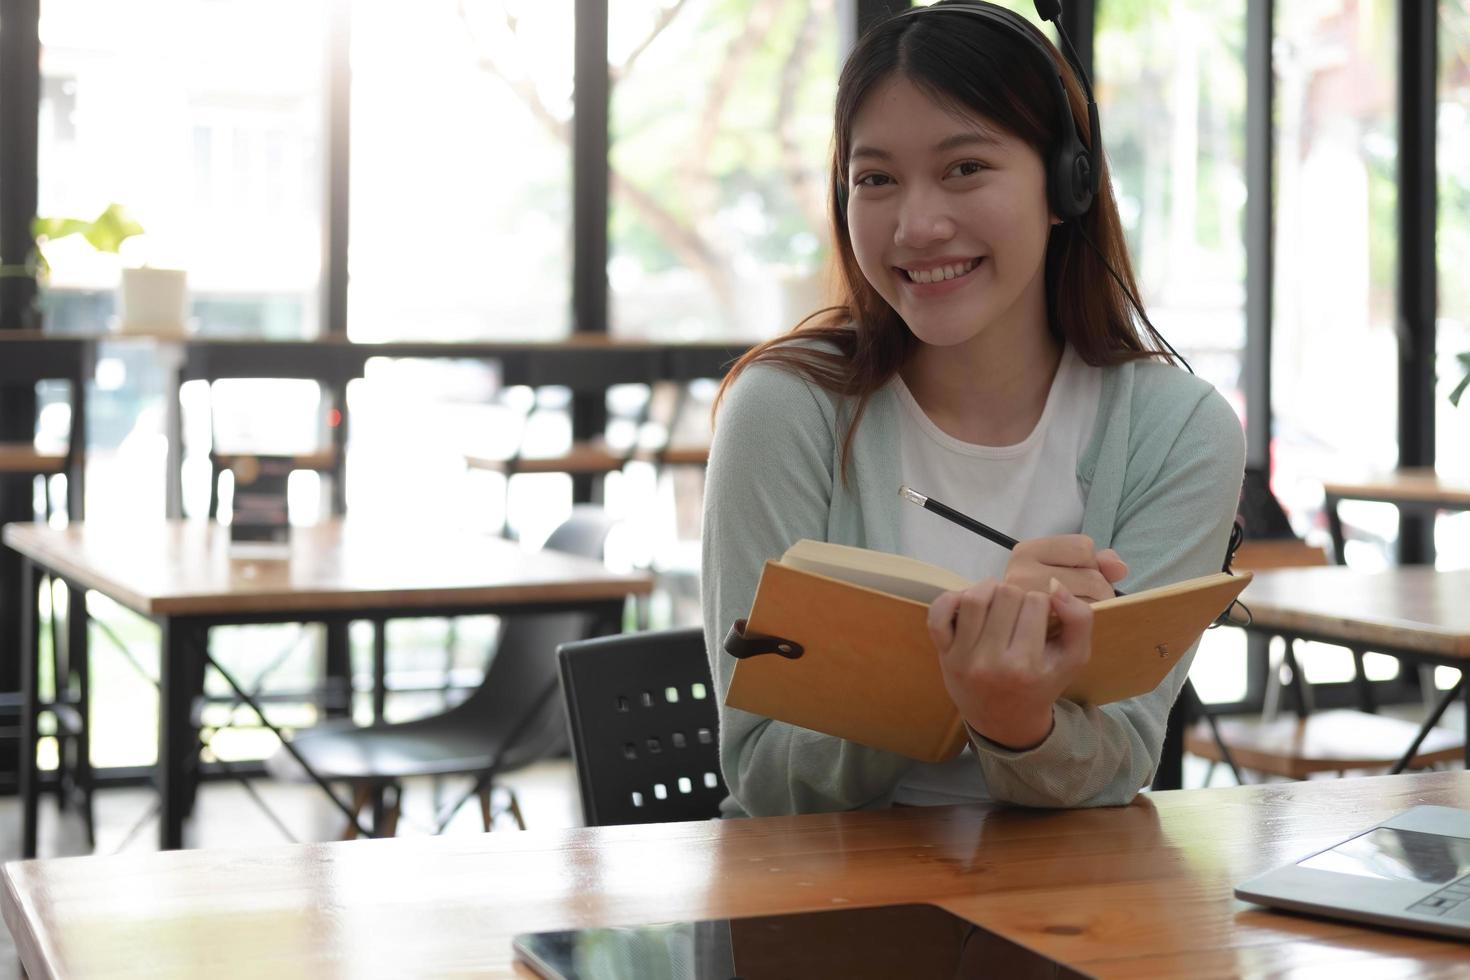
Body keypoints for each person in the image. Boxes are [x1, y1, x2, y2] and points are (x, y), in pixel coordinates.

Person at [700, 0, 1245, 817]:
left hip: (1066, 909)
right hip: (815, 907)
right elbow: (768, 774)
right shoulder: (782, 411)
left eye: (965, 168)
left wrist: (1015, 719)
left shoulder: (1179, 433)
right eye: (875, 179)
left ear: (1069, 184)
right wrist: (948, 677)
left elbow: (1118, 759)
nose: (917, 226)